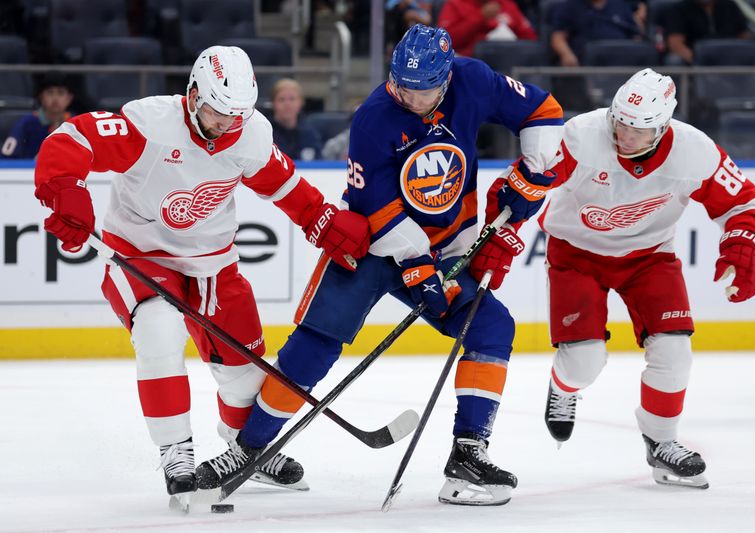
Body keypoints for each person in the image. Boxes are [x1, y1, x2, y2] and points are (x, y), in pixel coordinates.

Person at [195, 24, 564, 506]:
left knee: (492, 328)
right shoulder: (373, 117)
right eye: (402, 86)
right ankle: (250, 448)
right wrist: (416, 264)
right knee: (316, 345)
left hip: (448, 247)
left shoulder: (473, 80)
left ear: (447, 78)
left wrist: (532, 175)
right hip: (372, 247)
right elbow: (379, 207)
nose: (409, 97)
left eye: (423, 89)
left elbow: (545, 111)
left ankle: (468, 453)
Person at [32, 45, 370, 505]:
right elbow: (71, 139)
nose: (225, 126)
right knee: (157, 329)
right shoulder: (149, 123)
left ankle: (245, 446)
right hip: (140, 255)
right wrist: (65, 190)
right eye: (216, 113)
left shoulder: (249, 133)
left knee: (245, 370)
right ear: (192, 94)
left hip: (214, 261)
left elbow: (284, 184)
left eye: (237, 116)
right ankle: (176, 452)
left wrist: (321, 219)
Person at [533, 68, 755, 489]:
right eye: (620, 122)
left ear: (662, 127)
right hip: (575, 253)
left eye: (638, 130)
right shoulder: (582, 135)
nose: (624, 135)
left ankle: (662, 444)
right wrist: (506, 225)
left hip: (650, 256)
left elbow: (743, 202)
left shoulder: (695, 151)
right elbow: (531, 182)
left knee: (675, 351)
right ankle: (563, 387)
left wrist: (743, 245)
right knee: (584, 363)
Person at [1, 73, 73, 159]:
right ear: (41, 97)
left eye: (60, 93)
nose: (55, 98)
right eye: (50, 93)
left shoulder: (75, 124)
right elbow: (7, 159)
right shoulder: (26, 124)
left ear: (69, 98)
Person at [550, 0, 641, 67]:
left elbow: (635, 34)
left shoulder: (620, 4)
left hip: (621, 61)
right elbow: (558, 37)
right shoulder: (569, 6)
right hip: (587, 64)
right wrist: (567, 55)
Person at [438, 0, 538, 57]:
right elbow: (445, 42)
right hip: (468, 61)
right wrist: (480, 17)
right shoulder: (456, 4)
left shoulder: (507, 5)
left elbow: (530, 38)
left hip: (508, 64)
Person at [662, 0, 749, 65]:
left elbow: (744, 37)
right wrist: (700, 62)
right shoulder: (678, 10)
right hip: (695, 62)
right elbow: (676, 45)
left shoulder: (730, 6)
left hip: (730, 60)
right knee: (674, 60)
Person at [270, 78, 323, 161]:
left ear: (301, 103)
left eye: (292, 99)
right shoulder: (265, 133)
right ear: (273, 103)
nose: (287, 104)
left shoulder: (310, 134)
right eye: (281, 99)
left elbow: (318, 165)